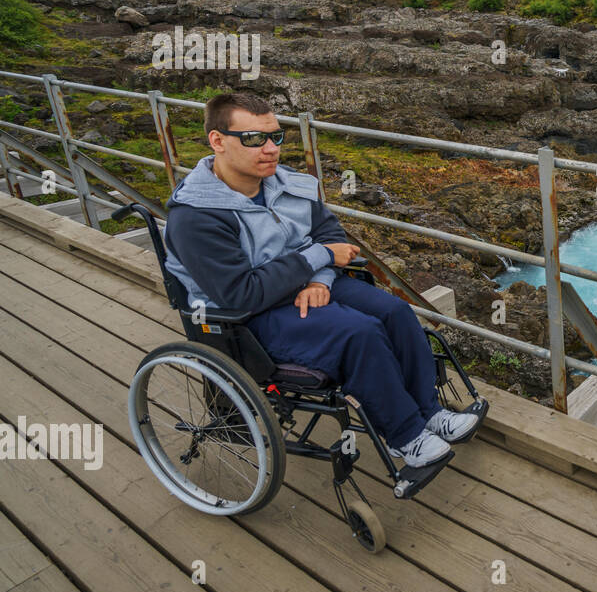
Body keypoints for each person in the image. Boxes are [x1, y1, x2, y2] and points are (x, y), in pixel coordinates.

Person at [164, 92, 480, 468]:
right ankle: (404, 435)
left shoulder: (288, 183)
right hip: (247, 315)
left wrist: (320, 280)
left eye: (275, 136)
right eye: (254, 139)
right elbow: (241, 293)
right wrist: (320, 258)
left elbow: (329, 235)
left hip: (307, 283)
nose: (271, 149)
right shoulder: (196, 216)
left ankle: (428, 411)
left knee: (395, 311)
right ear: (217, 141)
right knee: (358, 334)